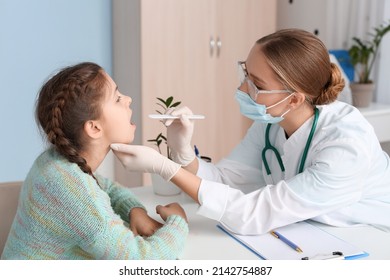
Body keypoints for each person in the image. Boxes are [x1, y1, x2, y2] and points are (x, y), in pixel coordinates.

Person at [110, 29, 390, 235]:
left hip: (368, 236)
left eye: (256, 84)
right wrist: (183, 153)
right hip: (307, 229)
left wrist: (164, 167)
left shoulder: (346, 145)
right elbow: (224, 179)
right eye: (245, 74)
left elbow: (251, 214)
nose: (243, 89)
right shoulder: (271, 124)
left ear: (294, 99)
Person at [1, 62, 188, 260]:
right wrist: (178, 221)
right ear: (94, 128)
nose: (128, 99)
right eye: (117, 98)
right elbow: (141, 261)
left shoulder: (55, 163)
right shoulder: (71, 191)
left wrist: (134, 210)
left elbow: (107, 188)